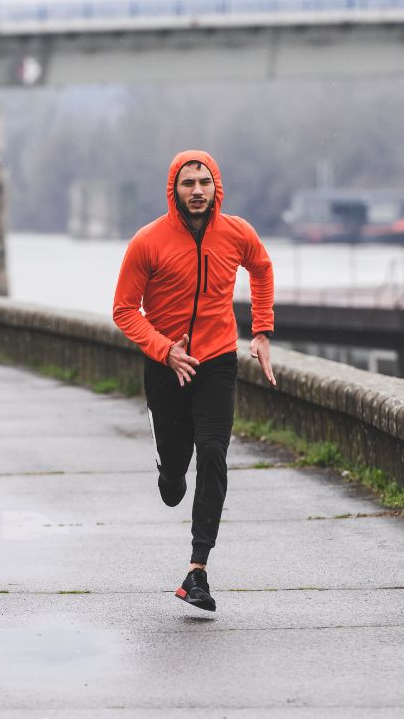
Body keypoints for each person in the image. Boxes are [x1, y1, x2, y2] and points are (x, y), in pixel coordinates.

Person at [112, 149, 276, 612]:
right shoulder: (148, 242)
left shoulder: (236, 232)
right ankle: (167, 470)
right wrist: (165, 349)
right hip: (166, 367)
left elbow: (261, 268)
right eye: (188, 183)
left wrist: (261, 330)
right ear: (174, 190)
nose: (198, 190)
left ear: (216, 186)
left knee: (213, 452)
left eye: (205, 181)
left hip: (218, 360)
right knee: (174, 478)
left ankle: (197, 570)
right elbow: (124, 309)